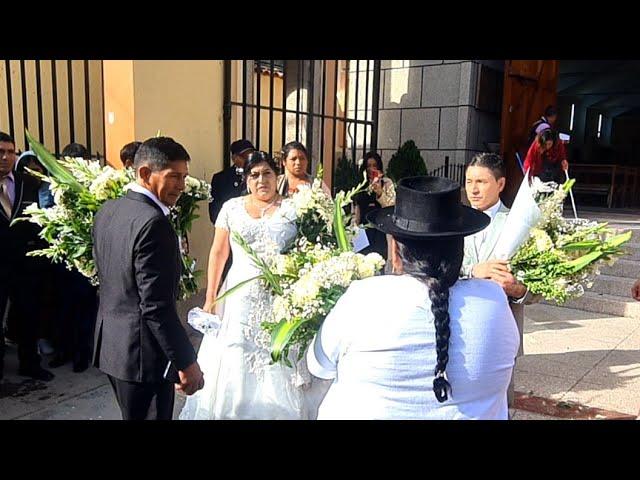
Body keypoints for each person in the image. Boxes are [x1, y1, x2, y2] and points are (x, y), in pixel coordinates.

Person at [306, 176, 519, 419]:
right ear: (460, 251)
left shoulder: (363, 299)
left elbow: (318, 365)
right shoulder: (493, 300)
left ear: (395, 252)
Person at [180, 151, 311, 420]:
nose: (261, 180)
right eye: (255, 175)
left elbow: (305, 252)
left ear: (278, 176)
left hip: (280, 297)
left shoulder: (294, 209)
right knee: (236, 354)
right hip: (239, 294)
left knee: (275, 355)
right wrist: (211, 297)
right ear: (247, 180)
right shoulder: (232, 208)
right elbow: (218, 253)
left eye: (267, 174)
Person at [92, 136, 204, 420]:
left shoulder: (108, 210)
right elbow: (155, 306)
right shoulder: (153, 223)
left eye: (184, 177)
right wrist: (186, 361)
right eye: (173, 177)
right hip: (144, 357)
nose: (181, 186)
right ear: (145, 173)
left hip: (113, 348)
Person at [461, 153, 539, 408]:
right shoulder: (452, 221)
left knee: (499, 405)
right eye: (469, 181)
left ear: (501, 184)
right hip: (458, 330)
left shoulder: (521, 225)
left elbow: (540, 288)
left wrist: (516, 288)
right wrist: (473, 270)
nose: (473, 189)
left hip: (501, 332)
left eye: (481, 182)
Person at [0, 131, 55, 381]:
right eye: (1, 152)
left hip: (24, 264)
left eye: (10, 152)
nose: (5, 157)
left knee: (28, 315)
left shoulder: (28, 183)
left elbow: (39, 220)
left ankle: (30, 363)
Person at [353, 151, 396, 259]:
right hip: (363, 231)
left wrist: (380, 192)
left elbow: (390, 207)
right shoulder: (361, 185)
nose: (371, 169)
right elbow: (357, 210)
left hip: (380, 230)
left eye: (374, 165)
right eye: (368, 166)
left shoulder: (386, 183)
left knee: (379, 262)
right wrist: (354, 230)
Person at [208, 139, 255, 225]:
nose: (249, 160)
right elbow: (214, 213)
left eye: (252, 156)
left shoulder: (260, 176)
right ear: (234, 158)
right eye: (245, 156)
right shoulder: (221, 179)